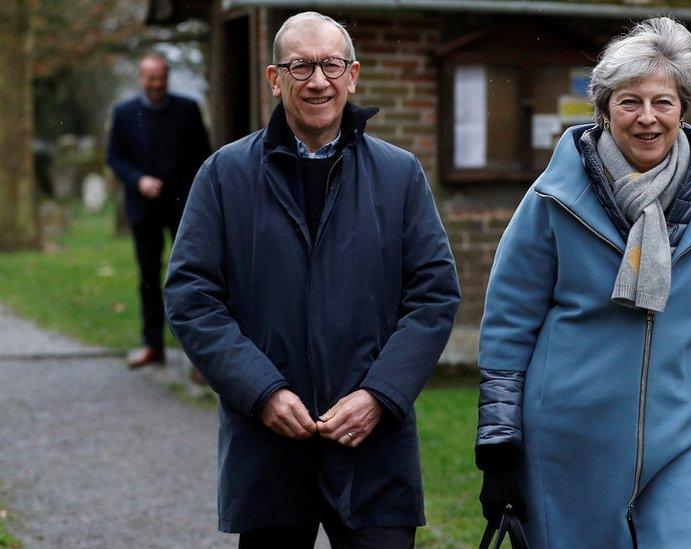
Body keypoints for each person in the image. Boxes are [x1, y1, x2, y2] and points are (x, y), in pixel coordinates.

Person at [475, 17, 691, 548]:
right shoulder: (554, 198)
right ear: (604, 108)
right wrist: (499, 443)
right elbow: (509, 322)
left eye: (663, 102)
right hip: (569, 443)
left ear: (684, 108)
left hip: (683, 435)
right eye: (629, 102)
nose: (647, 119)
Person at [164, 11, 460, 548]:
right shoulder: (224, 176)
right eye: (301, 66)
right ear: (275, 79)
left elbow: (434, 297)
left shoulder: (400, 176)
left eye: (331, 64)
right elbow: (192, 298)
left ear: (353, 75)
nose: (318, 80)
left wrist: (378, 394)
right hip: (269, 449)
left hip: (374, 450)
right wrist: (262, 391)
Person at [107, 53, 212, 368]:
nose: (156, 84)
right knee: (149, 276)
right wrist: (138, 180)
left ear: (167, 77)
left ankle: (196, 352)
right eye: (150, 78)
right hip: (144, 208)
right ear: (141, 78)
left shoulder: (187, 109)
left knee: (190, 274)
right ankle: (153, 344)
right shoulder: (124, 113)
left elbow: (203, 155)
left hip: (182, 206)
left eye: (161, 78)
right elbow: (114, 157)